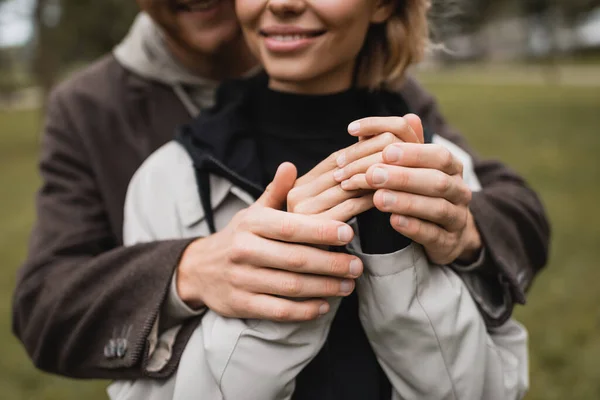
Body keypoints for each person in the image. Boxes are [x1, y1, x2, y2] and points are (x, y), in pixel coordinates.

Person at [12, 0, 548, 387]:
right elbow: (46, 307)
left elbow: (507, 204)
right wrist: (191, 269)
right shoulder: (98, 117)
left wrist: (463, 232)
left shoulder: (372, 88)